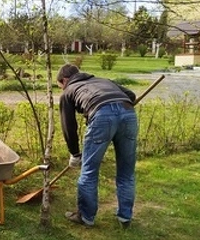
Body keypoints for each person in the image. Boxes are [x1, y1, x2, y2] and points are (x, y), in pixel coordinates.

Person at [56, 63, 138, 229]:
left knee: (89, 171)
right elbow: (131, 94)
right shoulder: (102, 80)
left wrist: (74, 153)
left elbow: (68, 125)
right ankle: (125, 218)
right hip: (128, 114)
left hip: (102, 117)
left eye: (60, 86)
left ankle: (86, 217)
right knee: (126, 172)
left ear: (64, 80)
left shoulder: (68, 91)